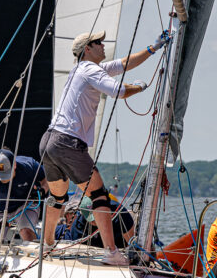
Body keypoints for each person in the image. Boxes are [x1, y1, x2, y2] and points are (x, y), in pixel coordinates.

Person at [40, 29, 169, 265]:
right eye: (98, 42)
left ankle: (46, 245)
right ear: (87, 49)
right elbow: (118, 91)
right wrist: (139, 87)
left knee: (57, 197)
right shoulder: (90, 69)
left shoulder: (83, 69)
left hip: (49, 140)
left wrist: (153, 48)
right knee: (99, 195)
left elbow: (124, 64)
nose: (103, 44)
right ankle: (112, 252)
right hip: (68, 142)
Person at [0, 148, 46, 242]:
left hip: (24, 205)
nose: (3, 179)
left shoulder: (29, 166)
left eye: (6, 173)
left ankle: (34, 253)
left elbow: (46, 179)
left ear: (14, 165)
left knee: (27, 232)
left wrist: (42, 190)